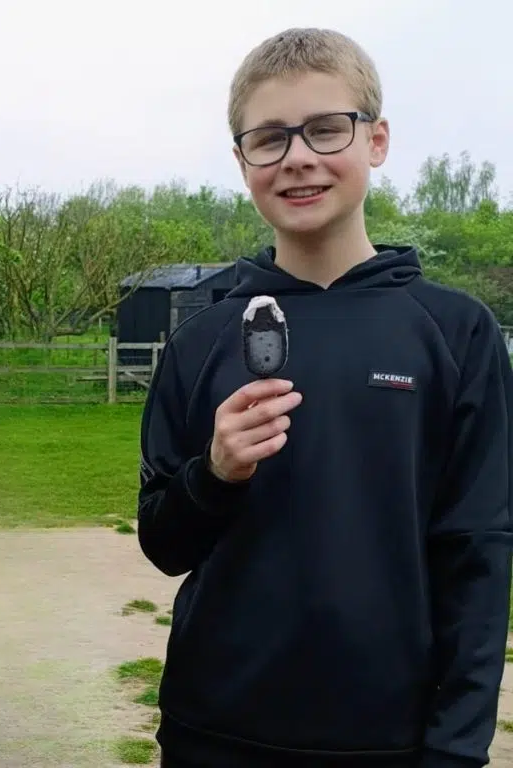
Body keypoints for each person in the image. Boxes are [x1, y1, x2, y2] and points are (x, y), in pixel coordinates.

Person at [137, 27, 513, 768]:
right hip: (213, 730)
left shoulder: (454, 331)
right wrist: (212, 475)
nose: (298, 157)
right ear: (242, 161)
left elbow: (479, 550)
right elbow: (163, 544)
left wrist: (456, 747)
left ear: (375, 140)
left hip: (389, 738)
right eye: (269, 138)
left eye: (325, 129)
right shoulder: (201, 338)